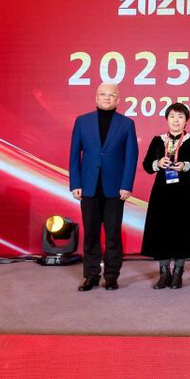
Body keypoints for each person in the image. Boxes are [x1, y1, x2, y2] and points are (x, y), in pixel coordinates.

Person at [69, 82, 138, 291]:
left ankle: (111, 276)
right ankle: (91, 276)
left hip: (115, 189)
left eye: (112, 95)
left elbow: (131, 157)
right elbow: (74, 155)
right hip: (89, 186)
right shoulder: (82, 121)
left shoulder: (126, 124)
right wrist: (76, 183)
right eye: (103, 94)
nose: (107, 97)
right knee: (90, 233)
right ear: (96, 97)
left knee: (113, 234)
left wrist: (126, 184)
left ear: (118, 99)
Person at [140, 103, 190, 290]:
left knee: (183, 230)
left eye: (180, 117)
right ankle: (164, 272)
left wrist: (185, 165)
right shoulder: (158, 140)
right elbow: (146, 165)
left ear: (186, 120)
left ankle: (178, 272)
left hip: (185, 192)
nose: (176, 120)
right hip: (162, 192)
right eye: (172, 116)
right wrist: (158, 163)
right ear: (167, 119)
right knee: (162, 230)